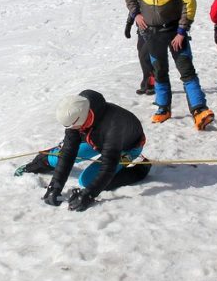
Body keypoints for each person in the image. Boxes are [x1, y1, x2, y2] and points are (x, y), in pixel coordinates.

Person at [124, 0, 214, 130]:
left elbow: (189, 2)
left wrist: (182, 30)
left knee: (186, 69)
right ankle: (163, 107)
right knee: (159, 71)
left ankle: (199, 109)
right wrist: (136, 14)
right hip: (151, 32)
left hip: (174, 30)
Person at [14, 90, 151, 211]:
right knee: (58, 158)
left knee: (87, 181)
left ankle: (139, 171)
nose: (70, 129)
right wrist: (54, 186)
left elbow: (108, 165)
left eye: (73, 126)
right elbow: (68, 152)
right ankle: (40, 162)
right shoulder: (77, 112)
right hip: (96, 141)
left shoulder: (113, 126)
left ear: (82, 119)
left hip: (126, 147)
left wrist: (90, 193)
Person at [124, 0, 154, 95]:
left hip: (152, 28)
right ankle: (147, 82)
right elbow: (134, 9)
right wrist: (129, 24)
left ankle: (152, 82)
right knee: (142, 53)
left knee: (146, 54)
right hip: (141, 28)